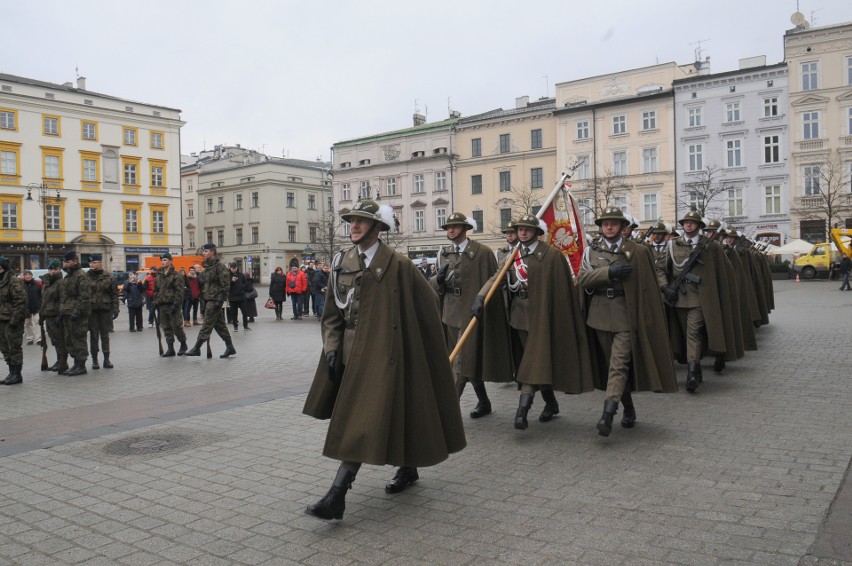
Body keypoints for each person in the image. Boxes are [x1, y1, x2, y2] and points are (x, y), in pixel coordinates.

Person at [302, 198, 465, 521]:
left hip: (385, 356)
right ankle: (409, 467)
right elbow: (332, 316)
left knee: (360, 421)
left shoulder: (398, 265)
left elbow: (427, 303)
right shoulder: (341, 262)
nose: (355, 226)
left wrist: (413, 345)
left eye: (362, 222)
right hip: (350, 355)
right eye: (351, 221)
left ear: (378, 228)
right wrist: (332, 348)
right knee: (397, 410)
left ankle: (337, 494)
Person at [476, 214, 594, 430]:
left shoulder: (551, 256)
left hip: (543, 317)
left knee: (533, 362)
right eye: (519, 229)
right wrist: (481, 297)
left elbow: (562, 290)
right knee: (530, 363)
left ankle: (522, 410)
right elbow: (496, 278)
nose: (522, 232)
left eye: (527, 229)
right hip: (518, 317)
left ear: (537, 232)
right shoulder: (512, 255)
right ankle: (551, 403)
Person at [578, 207, 677, 436]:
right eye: (605, 224)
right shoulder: (591, 251)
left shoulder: (638, 251)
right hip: (599, 316)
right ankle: (629, 408)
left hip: (625, 315)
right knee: (612, 367)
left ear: (623, 227)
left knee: (618, 364)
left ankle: (607, 414)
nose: (609, 227)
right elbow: (582, 278)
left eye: (613, 223)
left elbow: (648, 287)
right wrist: (608, 273)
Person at [433, 212, 513, 418]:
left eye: (456, 226)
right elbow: (434, 286)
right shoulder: (443, 253)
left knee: (461, 360)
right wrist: (438, 280)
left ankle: (448, 410)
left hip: (471, 312)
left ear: (465, 229)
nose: (451, 230)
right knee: (461, 361)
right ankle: (484, 402)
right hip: (450, 313)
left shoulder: (482, 252)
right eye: (448, 227)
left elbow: (495, 281)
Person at [657, 211, 740, 392]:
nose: (689, 225)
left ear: (699, 226)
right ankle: (697, 367)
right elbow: (660, 269)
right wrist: (665, 288)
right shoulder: (673, 245)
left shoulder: (711, 246)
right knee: (687, 336)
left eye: (693, 222)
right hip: (678, 298)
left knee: (693, 333)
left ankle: (691, 373)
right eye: (686, 222)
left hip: (701, 299)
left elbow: (724, 271)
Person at [185, 243, 235, 358]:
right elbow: (204, 284)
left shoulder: (219, 266)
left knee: (206, 324)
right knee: (220, 326)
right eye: (203, 251)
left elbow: (226, 285)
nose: (204, 253)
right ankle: (230, 347)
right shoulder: (207, 268)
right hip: (208, 299)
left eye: (206, 251)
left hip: (215, 300)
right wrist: (204, 298)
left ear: (213, 252)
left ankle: (197, 348)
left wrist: (220, 300)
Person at [60, 251, 91, 376]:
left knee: (78, 338)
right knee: (69, 339)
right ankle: (76, 363)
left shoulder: (81, 276)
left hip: (78, 314)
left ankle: (81, 365)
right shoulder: (68, 276)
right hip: (68, 312)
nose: (65, 264)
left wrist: (77, 311)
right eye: (65, 262)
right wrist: (61, 311)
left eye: (68, 262)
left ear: (75, 261)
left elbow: (84, 297)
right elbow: (64, 296)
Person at [86, 253, 118, 370]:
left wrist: (115, 308)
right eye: (90, 263)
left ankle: (106, 359)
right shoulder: (85, 277)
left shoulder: (108, 276)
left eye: (94, 262)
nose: (92, 264)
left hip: (105, 310)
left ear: (100, 263)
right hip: (92, 311)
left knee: (105, 335)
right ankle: (94, 360)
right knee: (93, 336)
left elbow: (114, 294)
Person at [154, 253, 188, 357]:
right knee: (166, 327)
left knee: (176, 326)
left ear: (170, 261)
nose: (163, 262)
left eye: (165, 260)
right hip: (162, 305)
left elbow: (180, 291)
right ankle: (170, 348)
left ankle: (183, 344)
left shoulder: (176, 275)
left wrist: (176, 304)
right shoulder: (159, 275)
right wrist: (155, 301)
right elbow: (156, 290)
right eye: (162, 260)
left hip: (173, 305)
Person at [0, 256, 28, 385]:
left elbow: (20, 301)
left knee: (14, 347)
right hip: (1, 319)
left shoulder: (13, 281)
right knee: (4, 347)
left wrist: (15, 319)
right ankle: (11, 372)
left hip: (12, 319)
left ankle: (17, 374)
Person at [39, 261, 67, 373]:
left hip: (56, 315)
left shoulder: (60, 283)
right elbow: (44, 300)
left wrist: (60, 314)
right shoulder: (47, 283)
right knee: (54, 340)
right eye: (51, 269)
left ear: (59, 270)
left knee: (60, 340)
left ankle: (62, 361)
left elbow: (62, 300)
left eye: (55, 269)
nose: (53, 271)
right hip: (48, 315)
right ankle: (58, 360)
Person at [21, 270, 42, 346]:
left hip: (36, 306)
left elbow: (41, 295)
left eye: (29, 274)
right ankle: (29, 339)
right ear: (23, 276)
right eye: (26, 274)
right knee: (27, 324)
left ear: (31, 275)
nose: (28, 276)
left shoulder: (37, 284)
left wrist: (41, 303)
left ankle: (39, 338)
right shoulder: (21, 285)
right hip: (25, 307)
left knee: (37, 322)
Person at [227, 263, 248, 331]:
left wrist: (242, 287)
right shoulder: (227, 275)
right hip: (232, 297)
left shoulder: (241, 274)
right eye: (232, 268)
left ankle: (245, 326)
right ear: (230, 268)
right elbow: (226, 286)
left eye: (235, 268)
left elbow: (245, 283)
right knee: (234, 313)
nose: (234, 270)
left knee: (245, 312)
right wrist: (232, 281)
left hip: (241, 296)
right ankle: (235, 326)